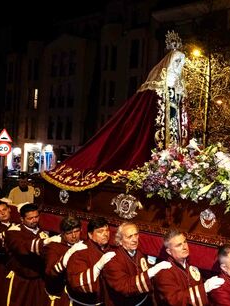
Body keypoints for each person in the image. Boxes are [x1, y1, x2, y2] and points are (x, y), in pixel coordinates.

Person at [42, 31, 188, 191]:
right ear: (167, 63)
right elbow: (144, 121)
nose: (179, 66)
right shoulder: (153, 91)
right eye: (177, 61)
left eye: (182, 62)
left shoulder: (179, 93)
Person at [4, 203, 62, 306]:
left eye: (36, 217)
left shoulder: (42, 233)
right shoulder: (14, 232)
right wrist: (44, 242)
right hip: (21, 279)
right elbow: (22, 247)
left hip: (37, 280)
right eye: (30, 218)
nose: (34, 220)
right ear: (22, 219)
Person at [103, 222, 172, 306]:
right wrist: (151, 271)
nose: (135, 239)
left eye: (136, 235)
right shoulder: (113, 260)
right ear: (120, 241)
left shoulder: (138, 253)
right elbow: (125, 287)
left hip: (143, 301)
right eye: (129, 236)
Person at [153, 229, 224, 305]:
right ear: (169, 251)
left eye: (185, 242)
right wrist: (204, 288)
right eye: (179, 245)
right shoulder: (164, 273)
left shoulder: (190, 264)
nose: (184, 247)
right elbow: (175, 301)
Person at [66, 217, 116, 305]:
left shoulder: (113, 250)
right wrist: (99, 266)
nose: (105, 234)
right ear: (90, 235)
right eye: (100, 231)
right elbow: (77, 282)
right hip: (86, 303)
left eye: (107, 230)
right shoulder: (81, 252)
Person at [43, 216, 87, 306]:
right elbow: (50, 271)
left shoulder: (84, 244)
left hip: (78, 295)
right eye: (69, 233)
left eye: (77, 231)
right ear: (62, 233)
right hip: (60, 293)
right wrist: (67, 256)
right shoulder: (54, 246)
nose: (74, 236)